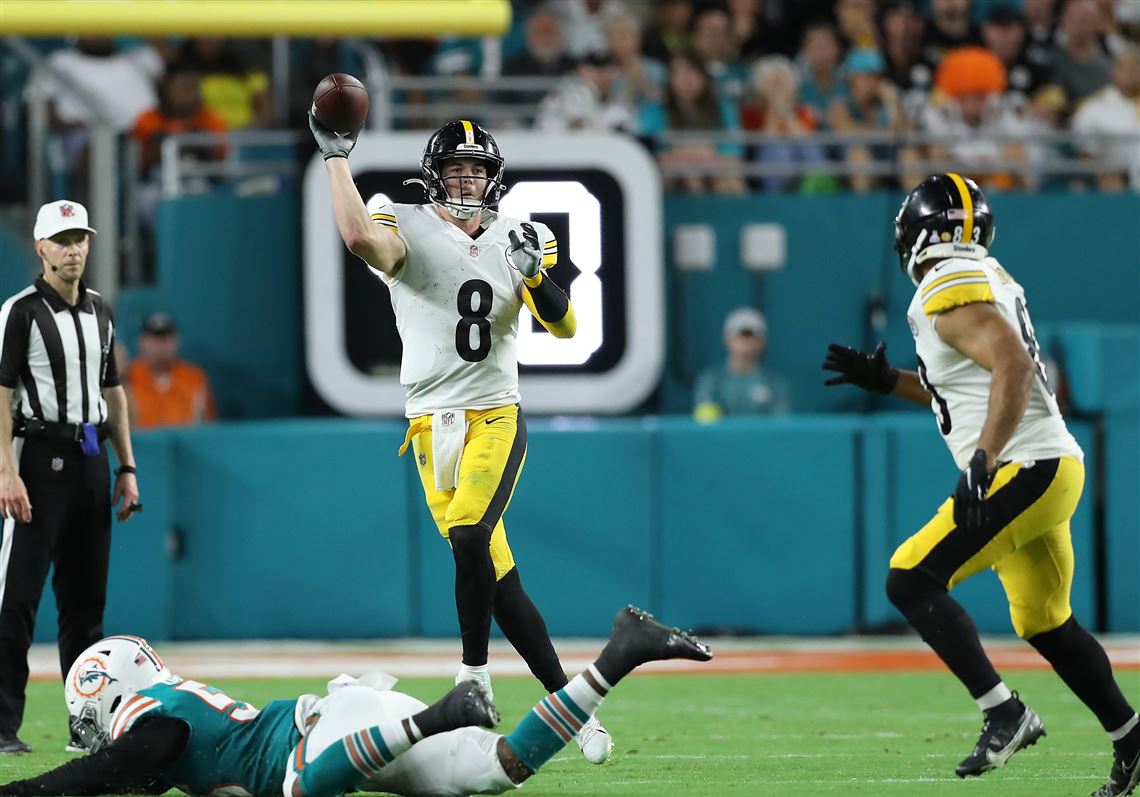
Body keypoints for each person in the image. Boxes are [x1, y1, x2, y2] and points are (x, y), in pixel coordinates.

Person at [307, 113, 613, 763]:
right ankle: (575, 711)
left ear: (494, 177)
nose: (468, 179)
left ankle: (472, 673)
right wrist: (336, 159)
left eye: (477, 169)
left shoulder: (520, 236)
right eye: (456, 169)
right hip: (428, 425)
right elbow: (362, 238)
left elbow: (564, 325)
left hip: (494, 414)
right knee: (498, 582)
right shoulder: (403, 220)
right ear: (434, 176)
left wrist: (534, 275)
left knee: (471, 533)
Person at [822, 174, 1140, 797]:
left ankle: (1004, 712)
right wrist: (892, 383)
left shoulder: (946, 282)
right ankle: (1132, 737)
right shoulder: (987, 277)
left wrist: (984, 458)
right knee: (1046, 622)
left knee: (909, 577)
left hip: (1026, 466)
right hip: (1051, 465)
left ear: (915, 236)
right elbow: (973, 380)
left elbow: (1015, 365)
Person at [0, 607, 713, 796]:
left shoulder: (150, 714)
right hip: (358, 725)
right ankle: (625, 650)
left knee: (296, 790)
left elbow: (140, 755)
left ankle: (442, 710)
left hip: (324, 733)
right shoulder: (165, 697)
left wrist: (30, 790)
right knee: (497, 768)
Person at [0, 200, 141, 755]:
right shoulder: (20, 311)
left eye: (80, 237)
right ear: (40, 248)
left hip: (90, 459)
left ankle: (86, 725)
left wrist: (127, 466)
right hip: (37, 459)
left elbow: (113, 391)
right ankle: (2, 725)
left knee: (86, 608)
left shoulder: (101, 310)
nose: (73, 248)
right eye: (62, 240)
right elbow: (3, 393)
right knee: (17, 600)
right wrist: (6, 471)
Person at [693, 307, 789, 422]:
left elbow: (780, 423)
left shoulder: (775, 382)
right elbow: (706, 421)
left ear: (763, 341)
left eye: (751, 336)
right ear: (727, 338)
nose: (745, 341)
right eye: (740, 335)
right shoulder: (711, 379)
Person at [127, 313, 217, 430]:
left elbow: (209, 428)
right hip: (141, 446)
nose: (160, 346)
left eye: (165, 339)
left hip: (183, 445)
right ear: (141, 342)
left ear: (176, 341)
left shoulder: (194, 378)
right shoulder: (129, 375)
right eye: (154, 339)